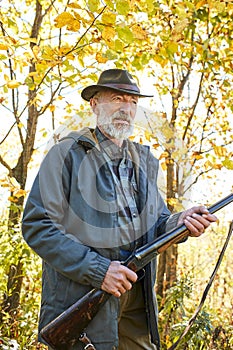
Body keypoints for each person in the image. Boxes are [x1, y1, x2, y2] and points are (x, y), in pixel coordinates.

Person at [22, 68, 217, 350]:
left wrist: (180, 223)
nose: (127, 108)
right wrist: (99, 270)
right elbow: (37, 226)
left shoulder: (144, 161)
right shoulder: (66, 154)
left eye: (133, 102)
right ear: (95, 104)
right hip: (86, 290)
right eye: (117, 98)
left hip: (136, 295)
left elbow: (158, 222)